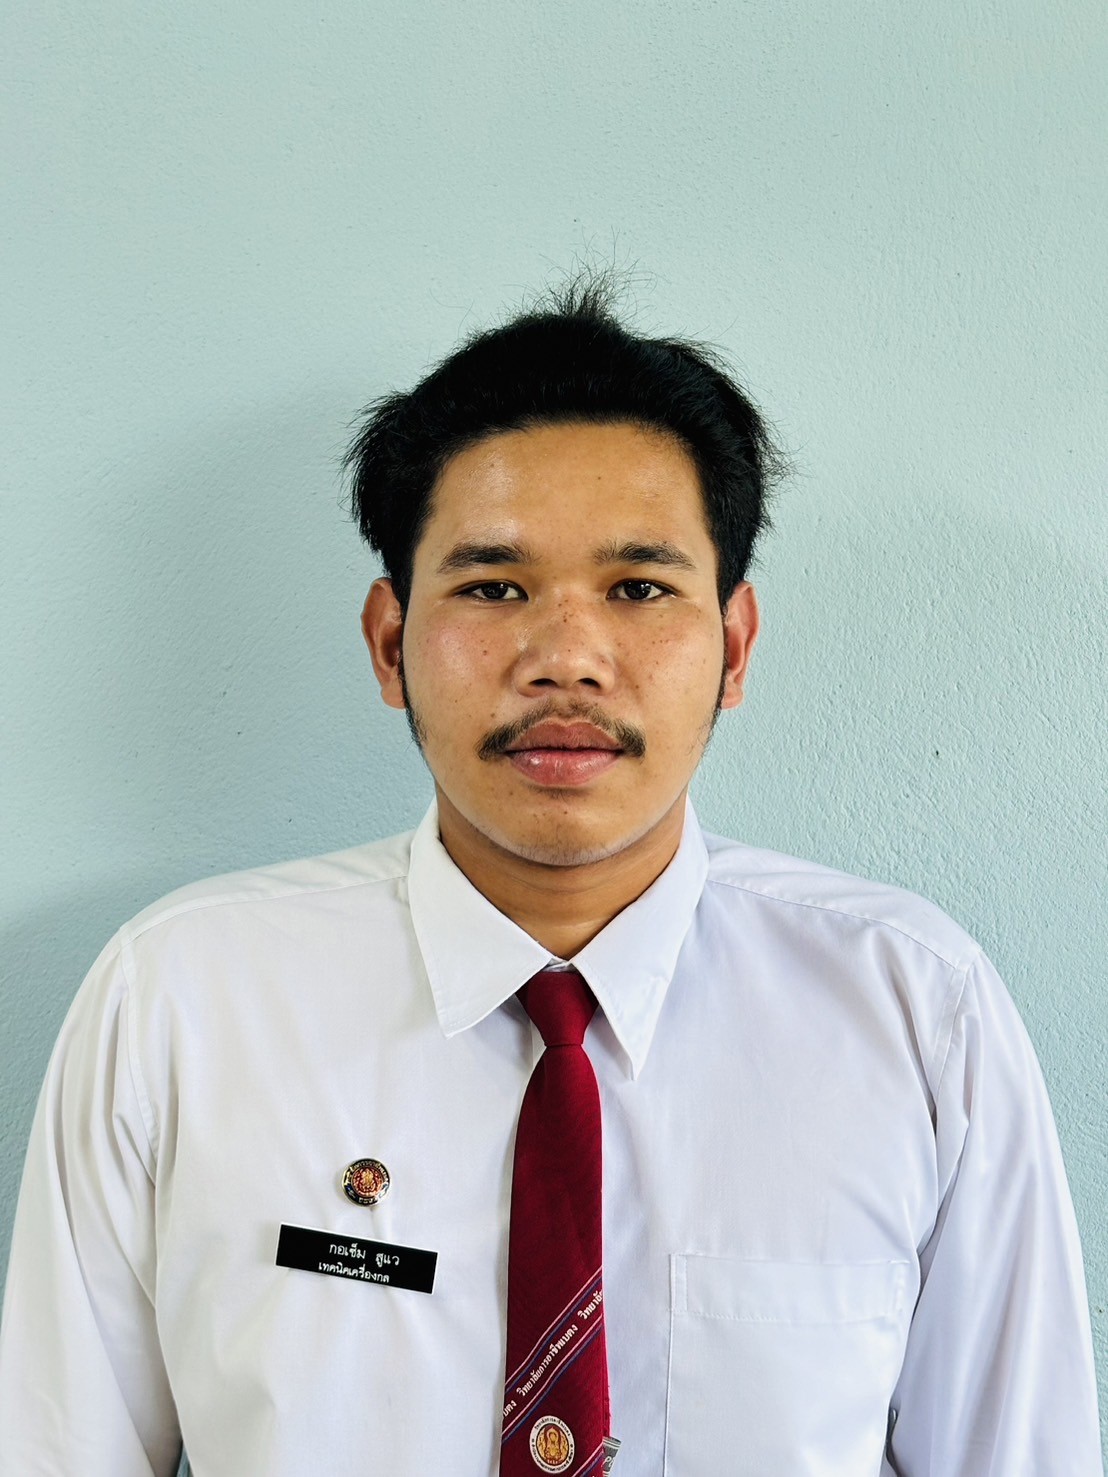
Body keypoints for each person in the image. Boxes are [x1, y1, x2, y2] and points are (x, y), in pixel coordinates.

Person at [0, 277, 1101, 1476]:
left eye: (639, 589)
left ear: (733, 647)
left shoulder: (914, 1011)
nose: (566, 658)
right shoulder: (183, 1001)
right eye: (492, 587)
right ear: (389, 642)